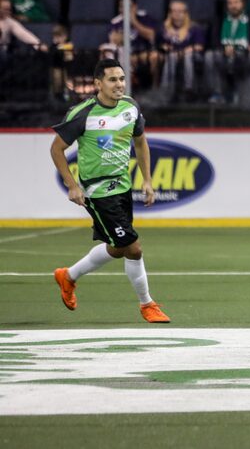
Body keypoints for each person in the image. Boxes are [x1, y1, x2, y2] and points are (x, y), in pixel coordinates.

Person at [49, 58, 170, 323]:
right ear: (98, 84)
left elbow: (140, 143)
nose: (119, 84)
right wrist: (72, 186)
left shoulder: (130, 107)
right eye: (113, 79)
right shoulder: (83, 114)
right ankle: (147, 304)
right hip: (98, 192)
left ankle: (68, 277)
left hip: (123, 187)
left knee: (117, 248)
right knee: (133, 247)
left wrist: (147, 180)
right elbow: (56, 149)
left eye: (122, 79)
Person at [159, 0, 206, 99]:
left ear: (185, 13)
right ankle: (166, 89)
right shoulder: (164, 28)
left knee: (188, 57)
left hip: (190, 55)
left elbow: (200, 46)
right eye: (174, 11)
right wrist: (165, 47)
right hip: (172, 55)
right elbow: (160, 44)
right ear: (170, 13)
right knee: (171, 56)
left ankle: (188, 88)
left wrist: (185, 51)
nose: (177, 14)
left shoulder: (194, 28)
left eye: (180, 11)